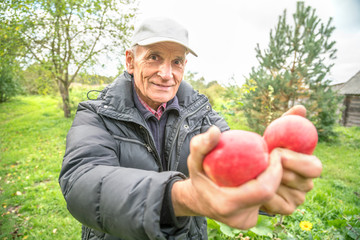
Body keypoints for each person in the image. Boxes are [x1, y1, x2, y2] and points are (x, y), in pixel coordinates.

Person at [59, 17, 322, 240]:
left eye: (177, 61)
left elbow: (232, 165)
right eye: (154, 57)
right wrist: (184, 197)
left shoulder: (202, 114)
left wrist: (263, 178)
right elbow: (81, 183)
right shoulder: (96, 114)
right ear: (130, 61)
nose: (166, 73)